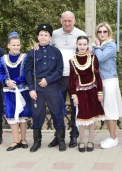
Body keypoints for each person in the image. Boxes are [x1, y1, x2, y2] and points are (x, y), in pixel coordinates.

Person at [25, 24, 66, 152]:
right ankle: (37, 142)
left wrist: (48, 80)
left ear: (50, 37)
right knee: (37, 115)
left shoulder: (56, 52)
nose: (43, 37)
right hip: (37, 89)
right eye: (41, 35)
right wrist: (31, 88)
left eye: (46, 35)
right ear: (38, 36)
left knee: (57, 113)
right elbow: (28, 71)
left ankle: (61, 140)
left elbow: (59, 70)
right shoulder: (32, 52)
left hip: (52, 87)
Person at [49, 11, 87, 148]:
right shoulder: (54, 34)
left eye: (69, 20)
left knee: (75, 108)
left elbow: (88, 51)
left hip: (74, 78)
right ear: (61, 21)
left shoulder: (80, 34)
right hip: (58, 78)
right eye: (64, 21)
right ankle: (58, 136)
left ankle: (74, 136)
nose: (67, 23)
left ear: (74, 21)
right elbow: (46, 47)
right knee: (57, 108)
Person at [70, 36, 105, 152]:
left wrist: (100, 93)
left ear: (88, 45)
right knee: (82, 118)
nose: (82, 47)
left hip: (93, 91)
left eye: (84, 44)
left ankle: (90, 141)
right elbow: (71, 79)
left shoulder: (93, 58)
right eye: (80, 44)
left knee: (92, 117)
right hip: (80, 93)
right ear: (76, 45)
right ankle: (81, 141)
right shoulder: (72, 60)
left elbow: (98, 76)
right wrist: (74, 95)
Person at [91, 22, 122, 149]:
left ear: (109, 33)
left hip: (109, 80)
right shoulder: (95, 46)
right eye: (100, 32)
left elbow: (100, 58)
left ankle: (113, 138)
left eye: (105, 31)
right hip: (99, 82)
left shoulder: (111, 45)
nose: (102, 34)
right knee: (105, 110)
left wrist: (97, 47)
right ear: (96, 33)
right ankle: (111, 136)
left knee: (111, 109)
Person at [0, 31, 32, 151]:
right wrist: (7, 81)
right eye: (13, 45)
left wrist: (16, 82)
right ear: (8, 46)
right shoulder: (3, 59)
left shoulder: (25, 57)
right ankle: (15, 140)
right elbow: (0, 73)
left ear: (20, 45)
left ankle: (23, 139)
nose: (16, 47)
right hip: (9, 91)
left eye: (18, 45)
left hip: (22, 90)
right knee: (12, 114)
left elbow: (26, 73)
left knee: (23, 115)